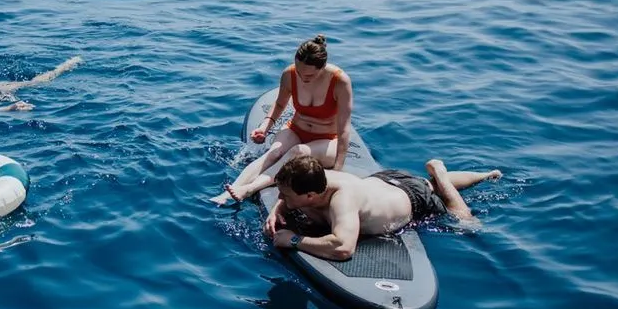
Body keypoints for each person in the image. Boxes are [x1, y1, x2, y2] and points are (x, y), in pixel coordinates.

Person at [264, 155, 502, 261]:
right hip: (386, 181)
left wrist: (294, 240)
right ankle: (440, 176)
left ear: (310, 195)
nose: (280, 196)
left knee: (466, 223)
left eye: (284, 194)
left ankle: (442, 175)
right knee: (427, 183)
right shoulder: (313, 176)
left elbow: (343, 248)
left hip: (413, 199)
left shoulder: (342, 200)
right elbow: (287, 193)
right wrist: (277, 210)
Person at [211, 35, 353, 205]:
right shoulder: (290, 74)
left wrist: (338, 170)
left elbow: (344, 128)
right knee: (274, 153)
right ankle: (229, 192)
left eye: (308, 75)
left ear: (322, 68)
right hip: (296, 129)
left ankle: (250, 189)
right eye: (299, 72)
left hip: (327, 140)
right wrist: (264, 127)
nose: (301, 78)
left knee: (297, 152)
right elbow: (279, 104)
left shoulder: (340, 81)